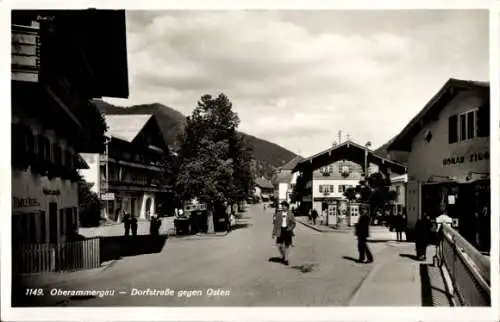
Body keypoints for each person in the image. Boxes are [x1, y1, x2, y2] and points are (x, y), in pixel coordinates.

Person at [272, 201, 296, 265]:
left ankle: (286, 259)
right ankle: (284, 256)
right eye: (282, 206)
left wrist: (290, 228)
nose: (283, 207)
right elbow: (276, 224)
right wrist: (273, 233)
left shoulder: (291, 214)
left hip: (287, 230)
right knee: (279, 246)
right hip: (280, 230)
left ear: (287, 207)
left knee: (287, 246)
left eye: (284, 206)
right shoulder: (278, 214)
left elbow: (294, 223)